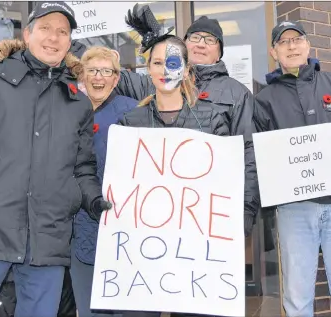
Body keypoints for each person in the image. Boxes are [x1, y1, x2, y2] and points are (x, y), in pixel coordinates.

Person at [0, 2, 111, 317]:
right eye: (45, 28)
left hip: (49, 238)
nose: (53, 37)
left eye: (62, 32)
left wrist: (95, 200)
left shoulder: (78, 102)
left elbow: (82, 168)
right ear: (28, 34)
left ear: (69, 42)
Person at [253, 21, 331, 317]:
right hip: (295, 209)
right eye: (284, 42)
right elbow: (259, 158)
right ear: (274, 51)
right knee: (296, 299)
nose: (292, 46)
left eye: (297, 39)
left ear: (308, 45)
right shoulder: (263, 101)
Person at [119, 5, 229, 316]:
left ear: (184, 68)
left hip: (196, 252)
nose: (164, 69)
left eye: (171, 61)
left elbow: (225, 183)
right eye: (157, 62)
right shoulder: (131, 121)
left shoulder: (212, 120)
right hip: (144, 248)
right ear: (148, 69)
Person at [114, 8, 259, 238]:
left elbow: (247, 151)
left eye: (210, 40)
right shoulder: (156, 81)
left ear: (220, 52)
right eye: (194, 37)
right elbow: (105, 74)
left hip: (204, 215)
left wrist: (246, 208)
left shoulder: (236, 93)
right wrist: (158, 46)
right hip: (154, 217)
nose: (201, 44)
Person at [69, 46, 138, 317]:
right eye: (92, 70)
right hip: (80, 224)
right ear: (82, 76)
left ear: (116, 78)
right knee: (88, 307)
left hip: (124, 223)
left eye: (106, 71)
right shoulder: (69, 110)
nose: (99, 77)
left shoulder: (133, 113)